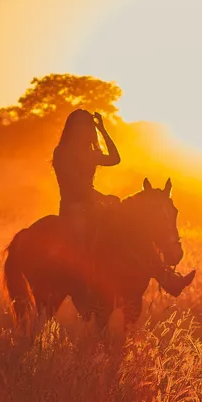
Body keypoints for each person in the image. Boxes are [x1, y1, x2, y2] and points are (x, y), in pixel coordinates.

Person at [51, 109, 193, 296]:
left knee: (132, 231)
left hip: (94, 205)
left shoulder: (90, 152)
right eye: (79, 125)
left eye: (87, 125)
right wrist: (101, 198)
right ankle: (85, 286)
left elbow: (114, 159)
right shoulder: (62, 152)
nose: (83, 129)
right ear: (71, 128)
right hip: (74, 207)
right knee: (83, 242)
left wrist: (102, 129)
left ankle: (167, 277)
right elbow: (75, 185)